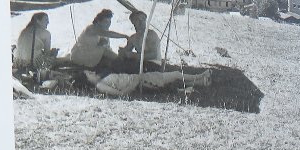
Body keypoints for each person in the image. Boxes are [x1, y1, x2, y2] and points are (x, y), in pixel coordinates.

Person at [83, 67, 211, 98]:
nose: (93, 73)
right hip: (141, 82)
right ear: (88, 81)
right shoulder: (100, 85)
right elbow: (121, 94)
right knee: (176, 75)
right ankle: (199, 77)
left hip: (141, 78)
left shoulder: (103, 79)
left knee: (174, 79)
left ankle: (200, 81)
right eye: (89, 74)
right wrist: (137, 80)